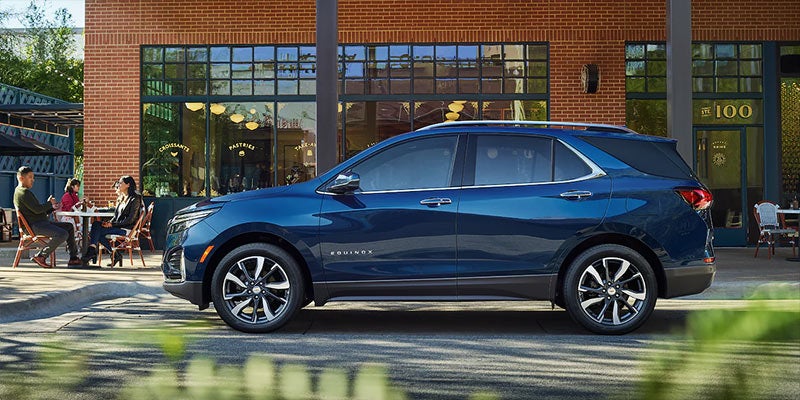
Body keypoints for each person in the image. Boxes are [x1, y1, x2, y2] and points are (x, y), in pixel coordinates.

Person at [13, 166, 82, 268]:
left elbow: (37, 211)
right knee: (62, 234)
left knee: (69, 227)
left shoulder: (22, 192)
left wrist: (52, 208)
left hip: (40, 222)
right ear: (21, 178)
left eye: (33, 177)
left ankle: (73, 257)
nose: (33, 180)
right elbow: (37, 209)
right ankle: (41, 256)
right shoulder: (23, 192)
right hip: (34, 226)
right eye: (30, 177)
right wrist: (50, 203)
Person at [82, 176, 142, 267]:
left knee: (97, 231)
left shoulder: (135, 199)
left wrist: (112, 224)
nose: (118, 185)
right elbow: (115, 216)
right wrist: (109, 222)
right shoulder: (122, 198)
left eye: (121, 183)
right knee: (97, 225)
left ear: (128, 185)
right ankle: (111, 254)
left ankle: (93, 251)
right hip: (117, 226)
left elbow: (130, 220)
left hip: (126, 229)